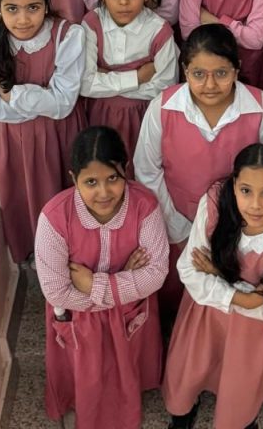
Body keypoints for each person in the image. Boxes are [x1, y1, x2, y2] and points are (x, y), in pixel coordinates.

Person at [162, 144, 263, 429]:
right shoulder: (215, 203)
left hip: (253, 330)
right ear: (234, 187)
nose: (255, 205)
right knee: (189, 370)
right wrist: (249, 298)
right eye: (245, 190)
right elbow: (190, 270)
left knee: (240, 387)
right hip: (204, 317)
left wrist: (219, 275)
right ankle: (183, 414)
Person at [133, 25, 263, 318]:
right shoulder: (162, 108)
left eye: (221, 73)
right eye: (199, 74)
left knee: (228, 303)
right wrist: (179, 229)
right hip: (177, 219)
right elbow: (147, 171)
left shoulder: (261, 108)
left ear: (237, 70)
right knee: (179, 296)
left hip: (240, 224)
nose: (210, 84)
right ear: (185, 71)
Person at [35, 125, 169, 429]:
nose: (104, 192)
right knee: (86, 373)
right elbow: (57, 292)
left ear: (126, 171)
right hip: (83, 317)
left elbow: (156, 274)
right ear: (73, 179)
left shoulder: (144, 205)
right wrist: (125, 281)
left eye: (113, 178)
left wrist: (93, 284)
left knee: (127, 363)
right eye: (91, 182)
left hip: (121, 312)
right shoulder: (54, 217)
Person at [0, 0, 84, 262]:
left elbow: (64, 103)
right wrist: (42, 101)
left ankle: (70, 255)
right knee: (20, 199)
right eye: (12, 8)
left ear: (47, 4)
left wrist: (14, 95)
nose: (22, 19)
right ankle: (35, 258)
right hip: (11, 142)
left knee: (62, 196)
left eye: (33, 7)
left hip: (60, 135)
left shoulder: (68, 36)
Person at [81, 0, 178, 165]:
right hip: (98, 116)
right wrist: (138, 77)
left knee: (138, 167)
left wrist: (105, 79)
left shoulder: (159, 31)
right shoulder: (91, 24)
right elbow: (85, 84)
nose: (124, 1)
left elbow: (164, 88)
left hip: (143, 119)